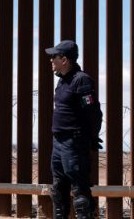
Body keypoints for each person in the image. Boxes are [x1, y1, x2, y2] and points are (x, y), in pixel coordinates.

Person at [46, 40, 103, 219]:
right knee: (58, 188)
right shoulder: (62, 81)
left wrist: (91, 136)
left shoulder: (81, 80)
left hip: (74, 141)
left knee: (80, 190)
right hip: (59, 141)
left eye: (54, 56)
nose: (51, 60)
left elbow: (93, 112)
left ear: (64, 59)